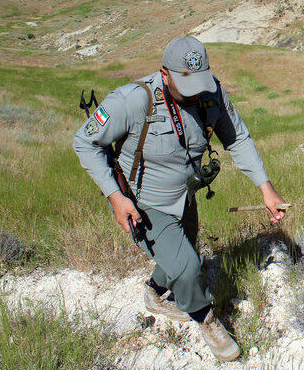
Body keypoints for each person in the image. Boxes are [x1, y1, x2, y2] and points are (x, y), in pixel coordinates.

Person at [73, 36, 286, 361]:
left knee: (183, 249)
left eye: (199, 84)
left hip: (185, 195)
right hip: (144, 201)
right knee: (188, 267)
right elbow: (84, 143)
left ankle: (155, 295)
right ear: (165, 74)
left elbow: (237, 137)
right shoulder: (133, 100)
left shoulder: (211, 94)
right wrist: (116, 197)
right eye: (187, 85)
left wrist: (265, 188)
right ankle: (207, 320)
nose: (196, 93)